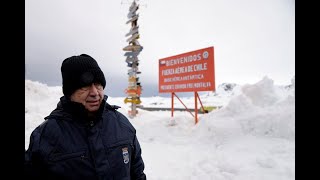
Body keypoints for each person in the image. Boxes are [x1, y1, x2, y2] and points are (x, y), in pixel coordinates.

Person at [25, 54, 147, 180]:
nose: (94, 93)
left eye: (98, 84)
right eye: (85, 86)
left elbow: (137, 173)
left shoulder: (121, 124)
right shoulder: (46, 135)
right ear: (69, 92)